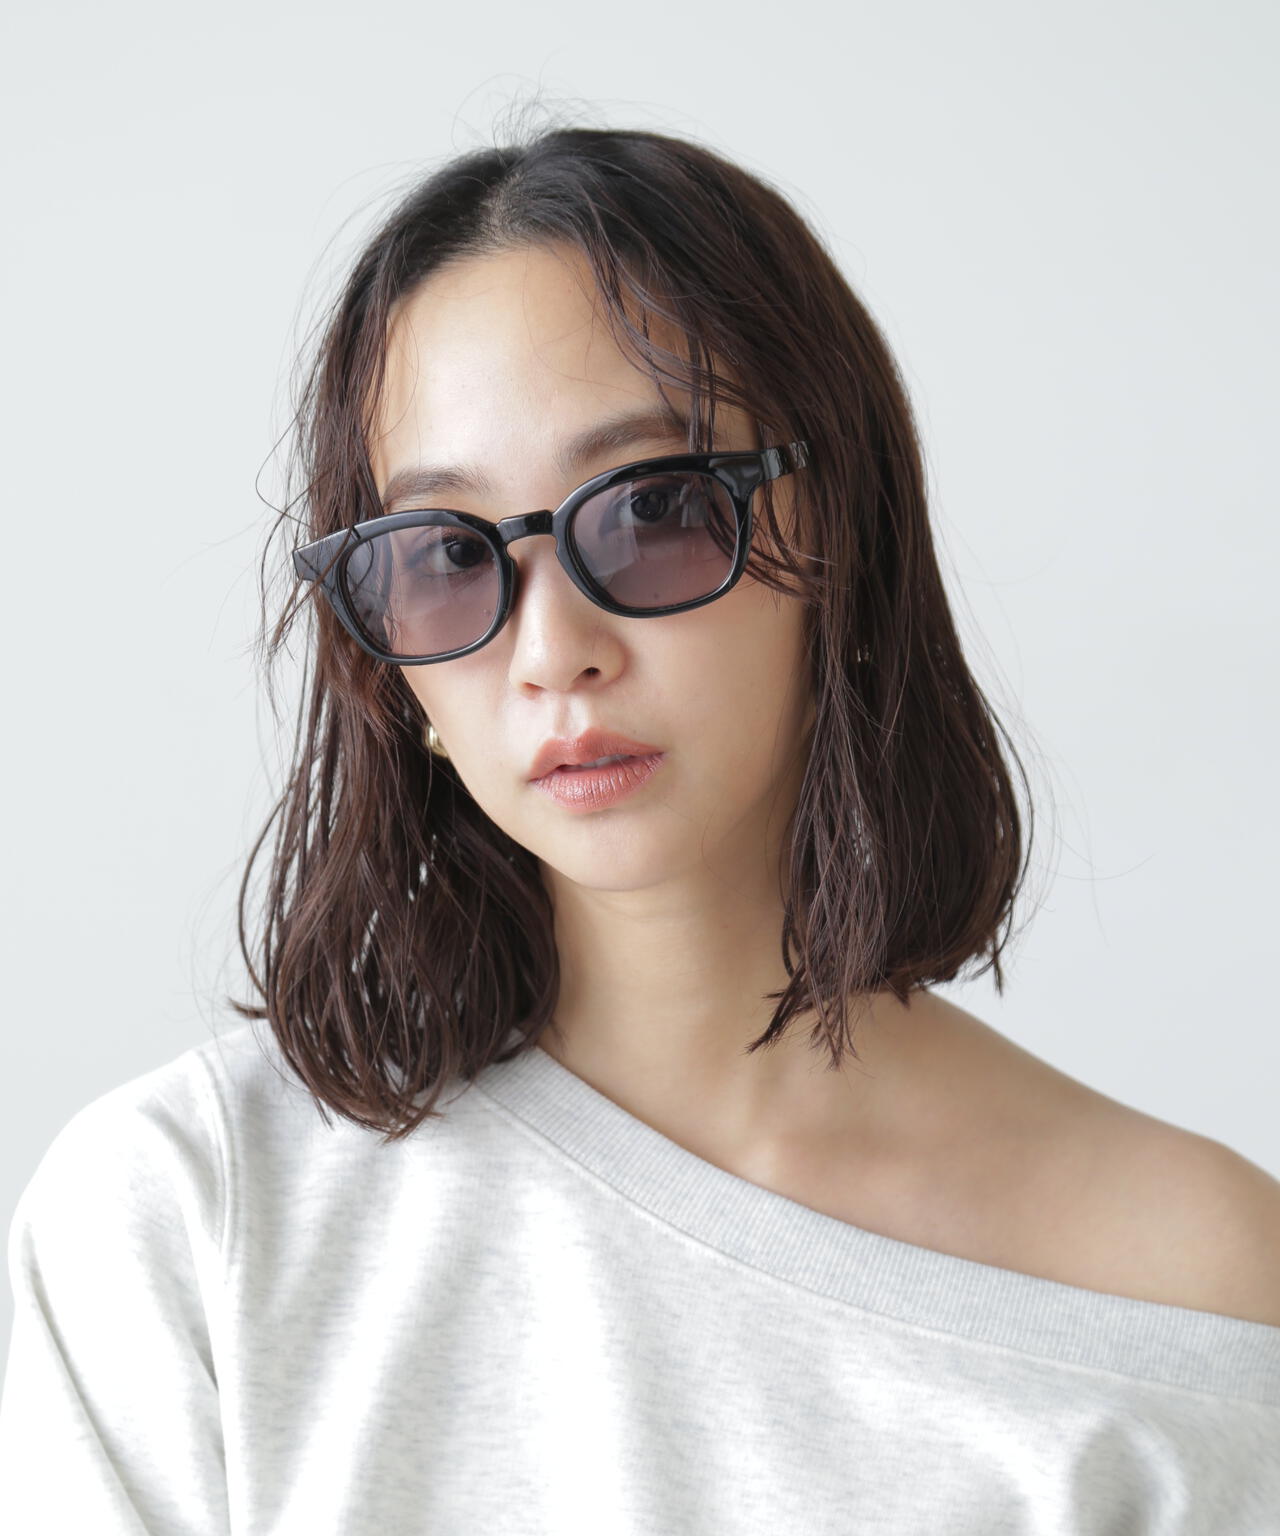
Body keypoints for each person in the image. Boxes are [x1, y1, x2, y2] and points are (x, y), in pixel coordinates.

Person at [2, 123, 1278, 1532]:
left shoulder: (1196, 1288)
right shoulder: (195, 1212)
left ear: (842, 540)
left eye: (654, 510)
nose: (554, 651)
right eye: (443, 555)